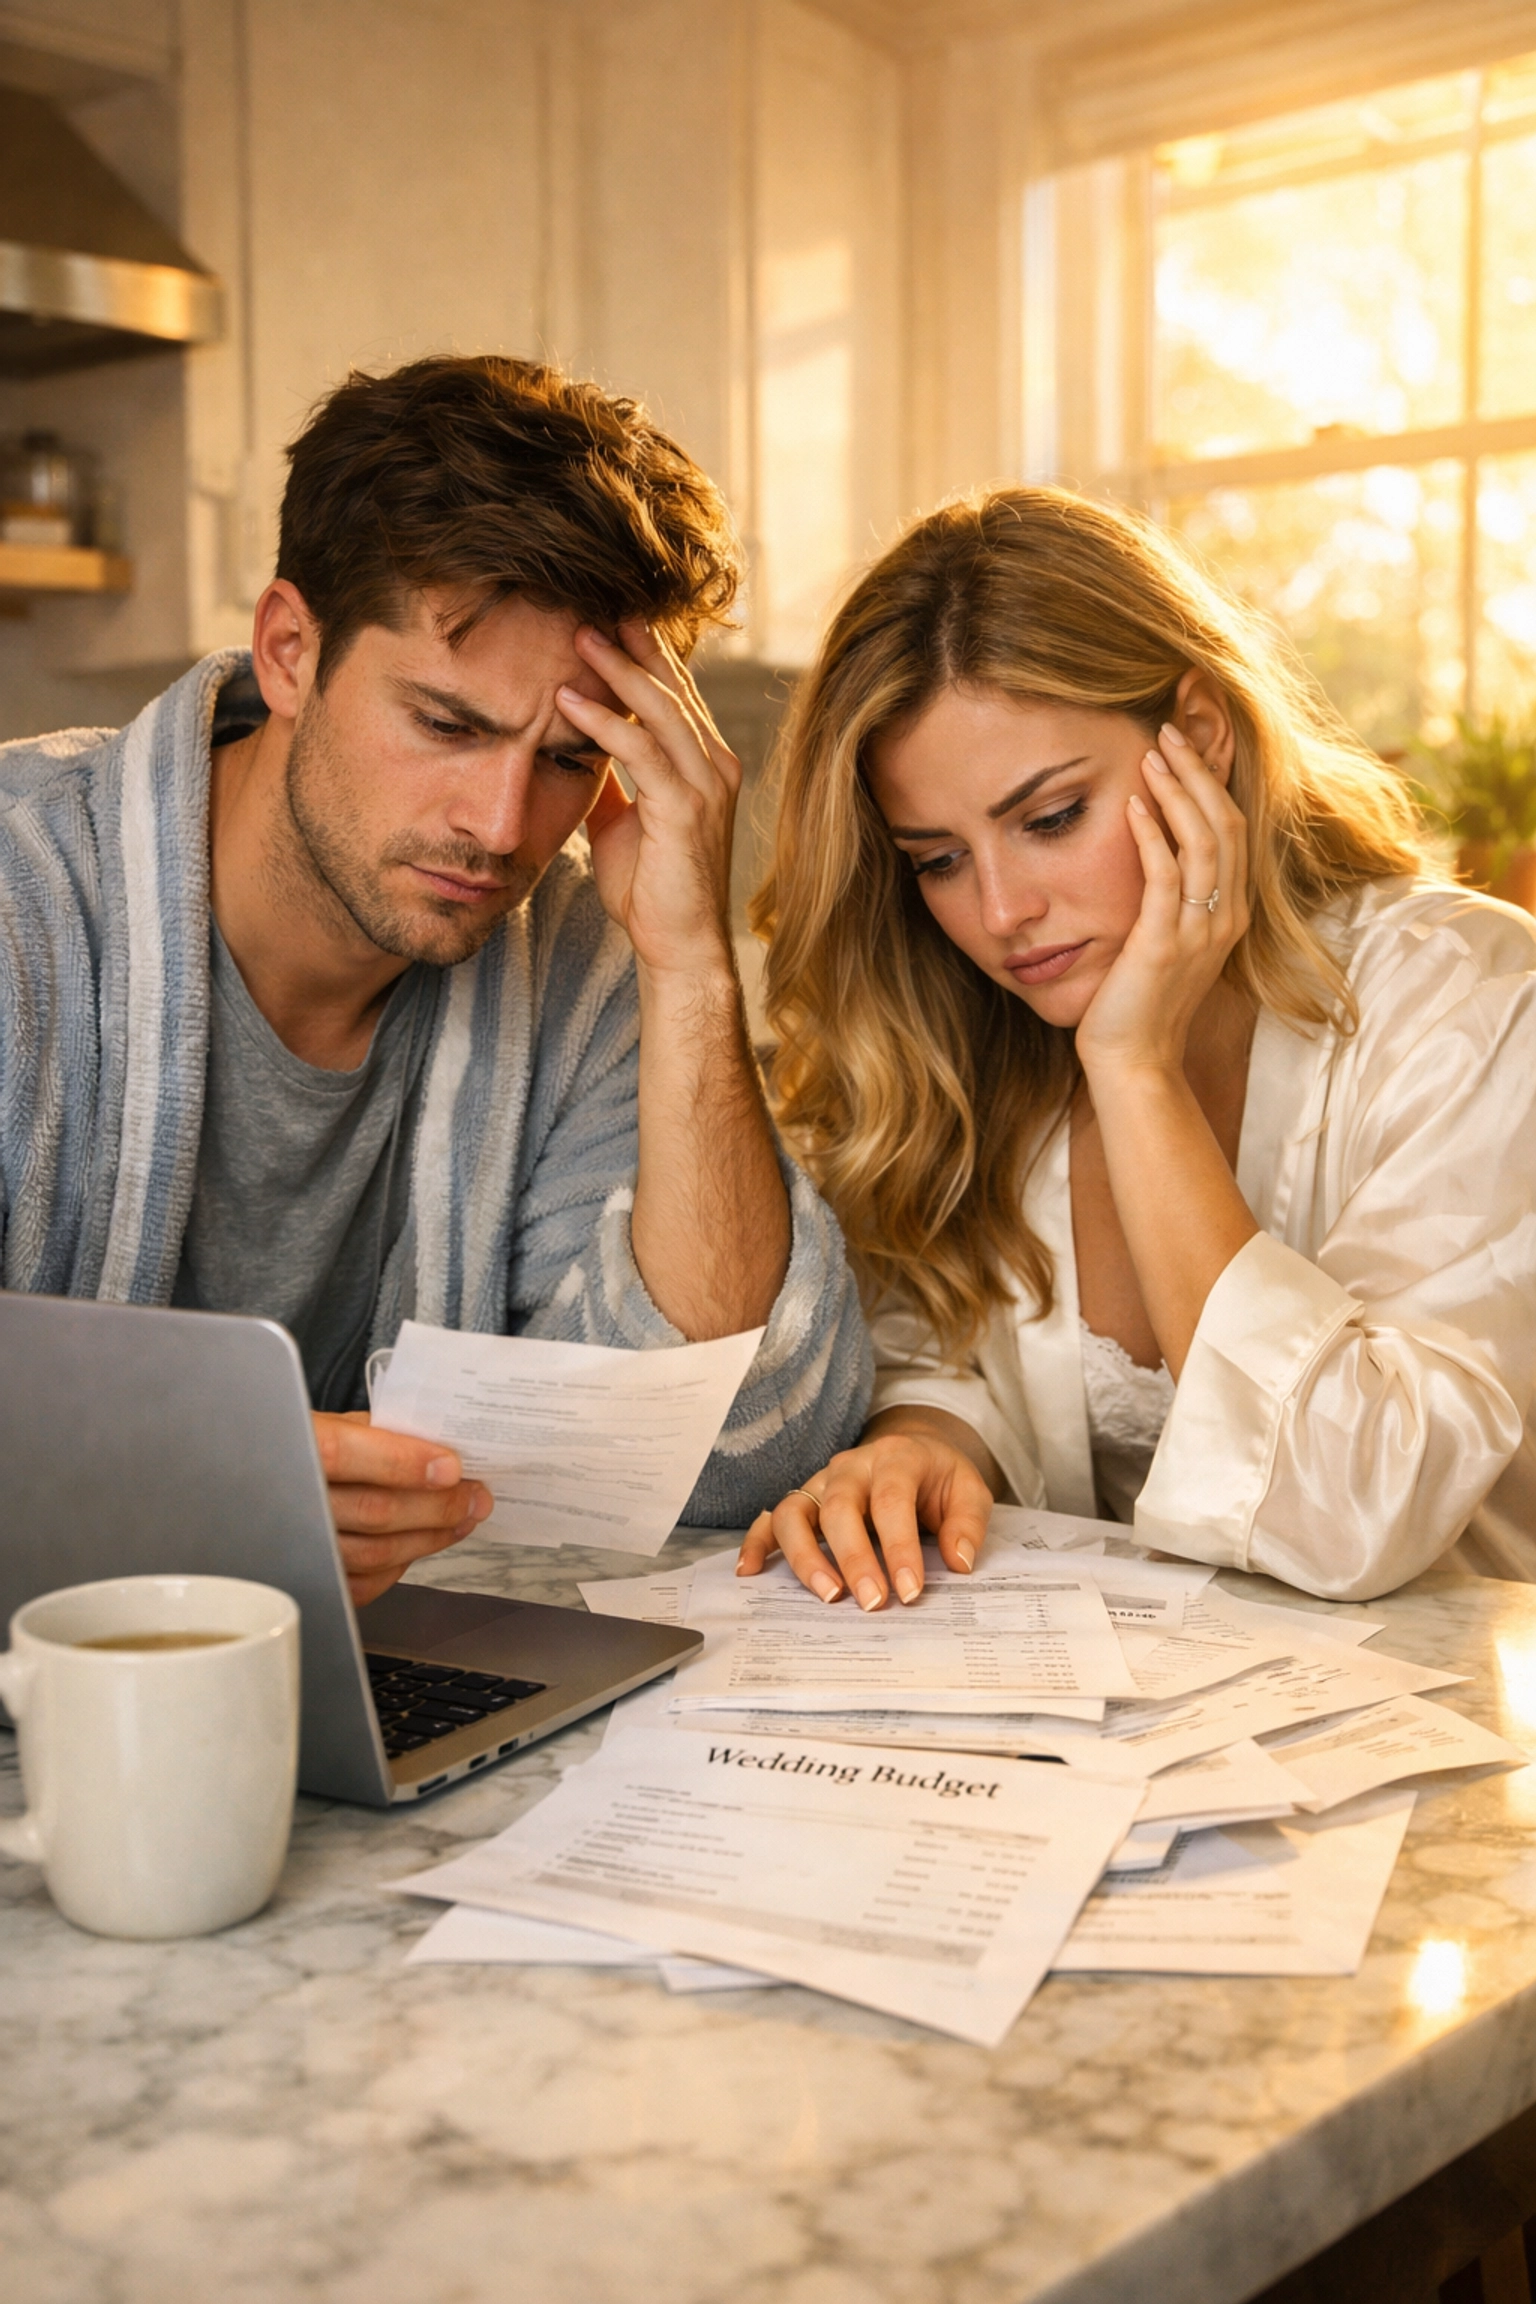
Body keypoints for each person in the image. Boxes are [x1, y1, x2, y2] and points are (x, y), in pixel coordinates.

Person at [0, 353, 869, 1606]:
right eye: (449, 726)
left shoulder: (578, 966)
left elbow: (735, 1448)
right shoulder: (26, 902)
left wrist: (689, 967)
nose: (505, 825)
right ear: (291, 650)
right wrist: (188, 1487)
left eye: (572, 759)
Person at [739, 486, 1536, 1608]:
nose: (1004, 911)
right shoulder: (973, 1034)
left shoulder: (1470, 999)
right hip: (1120, 1745)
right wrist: (928, 1445)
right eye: (938, 859)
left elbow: (1356, 1505)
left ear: (1199, 741)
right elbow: (949, 1349)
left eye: (1051, 817)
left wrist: (1135, 1071)